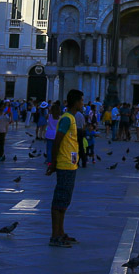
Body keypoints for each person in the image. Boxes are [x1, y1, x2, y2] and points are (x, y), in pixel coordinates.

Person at [47, 89, 83, 248]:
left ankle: (60, 233)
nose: (83, 103)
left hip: (71, 163)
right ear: (75, 102)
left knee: (65, 201)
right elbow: (57, 141)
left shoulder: (72, 118)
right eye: (81, 101)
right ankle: (55, 236)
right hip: (65, 163)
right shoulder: (67, 119)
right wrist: (52, 163)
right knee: (59, 200)